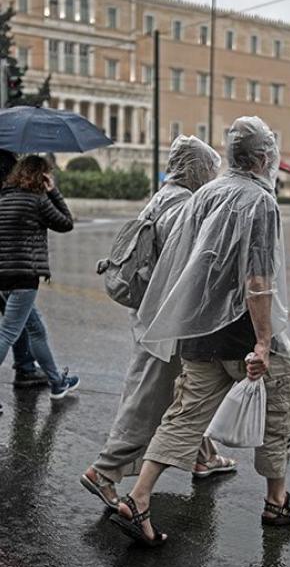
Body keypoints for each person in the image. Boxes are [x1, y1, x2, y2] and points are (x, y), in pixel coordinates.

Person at [111, 117, 290, 546]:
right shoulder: (260, 203)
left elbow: (186, 261)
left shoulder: (205, 194)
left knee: (184, 418)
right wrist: (264, 342)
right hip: (244, 333)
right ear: (264, 159)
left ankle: (137, 498)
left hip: (199, 333)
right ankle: (277, 502)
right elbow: (258, 280)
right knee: (277, 410)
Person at [80, 136, 232, 511]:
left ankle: (204, 455)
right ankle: (105, 470)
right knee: (150, 397)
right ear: (196, 169)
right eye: (209, 170)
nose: (212, 177)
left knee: (186, 388)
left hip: (152, 313)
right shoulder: (185, 207)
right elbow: (188, 269)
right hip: (165, 319)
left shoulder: (162, 196)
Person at [0, 155, 79, 404]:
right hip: (25, 277)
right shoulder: (37, 201)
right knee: (8, 334)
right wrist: (53, 191)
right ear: (41, 176)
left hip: (2, 278)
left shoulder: (3, 198)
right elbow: (66, 223)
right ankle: (56, 382)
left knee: (36, 329)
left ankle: (57, 382)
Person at [0, 150, 49, 395]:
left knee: (23, 322)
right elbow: (64, 221)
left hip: (8, 263)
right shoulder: (5, 162)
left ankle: (28, 367)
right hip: (14, 265)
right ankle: (27, 368)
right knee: (10, 327)